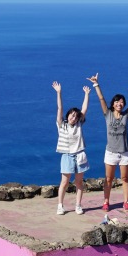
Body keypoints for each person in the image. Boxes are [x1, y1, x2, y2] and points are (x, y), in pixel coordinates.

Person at [87, 73, 128, 212]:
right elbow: (101, 98)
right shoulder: (107, 114)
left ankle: (126, 202)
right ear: (113, 103)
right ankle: (106, 202)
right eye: (117, 102)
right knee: (108, 179)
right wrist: (96, 84)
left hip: (124, 153)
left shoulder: (126, 115)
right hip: (110, 152)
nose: (119, 104)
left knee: (125, 178)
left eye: (121, 102)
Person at [52, 81, 91, 215]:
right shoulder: (61, 125)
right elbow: (60, 109)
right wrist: (59, 92)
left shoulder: (79, 124)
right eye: (71, 115)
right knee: (64, 182)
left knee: (79, 183)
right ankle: (60, 206)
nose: (73, 118)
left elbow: (84, 109)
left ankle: (78, 205)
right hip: (67, 155)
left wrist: (86, 94)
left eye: (75, 116)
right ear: (68, 115)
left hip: (80, 155)